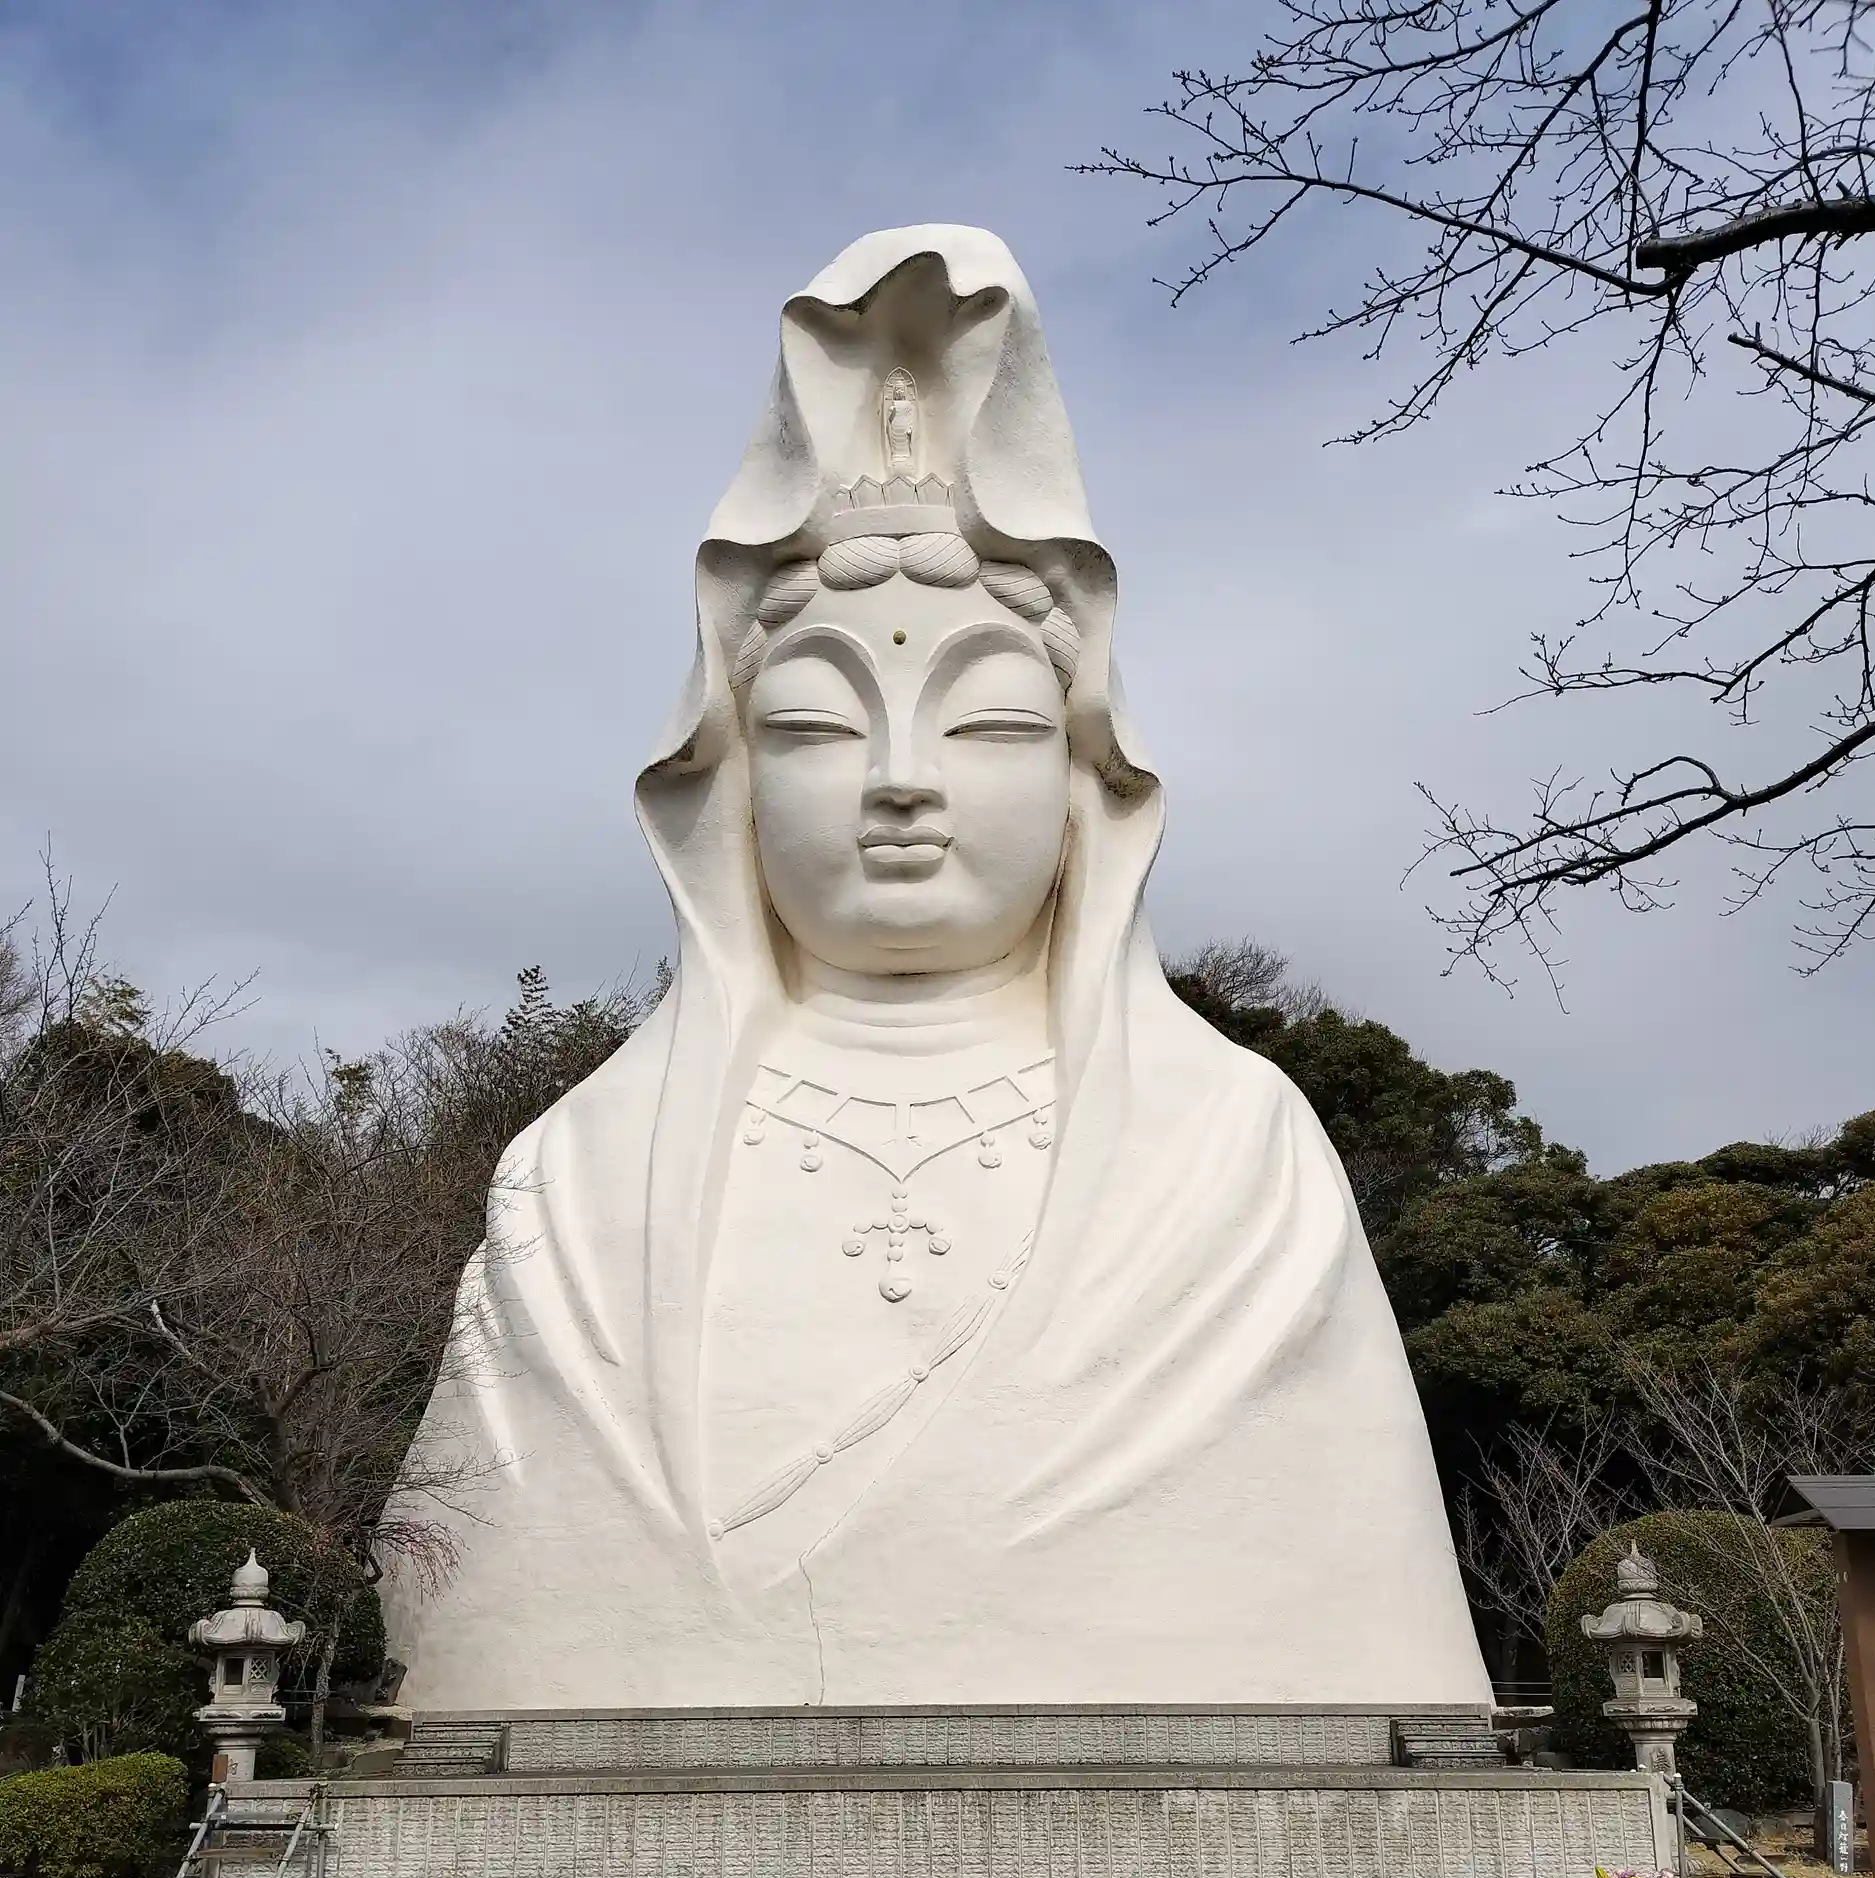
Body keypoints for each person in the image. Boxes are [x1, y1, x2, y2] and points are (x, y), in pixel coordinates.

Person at [386, 224, 1492, 1715]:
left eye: (987, 724)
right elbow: (476, 1599)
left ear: (1085, 781)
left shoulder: (1233, 1154)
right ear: (729, 785)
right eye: (815, 726)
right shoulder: (579, 1184)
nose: (899, 780)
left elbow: (1355, 1606)